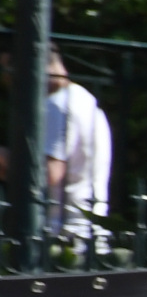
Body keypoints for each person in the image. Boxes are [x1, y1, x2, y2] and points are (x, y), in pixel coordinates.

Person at [45, 50, 111, 253]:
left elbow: (50, 173)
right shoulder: (83, 98)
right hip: (88, 234)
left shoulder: (56, 105)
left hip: (64, 240)